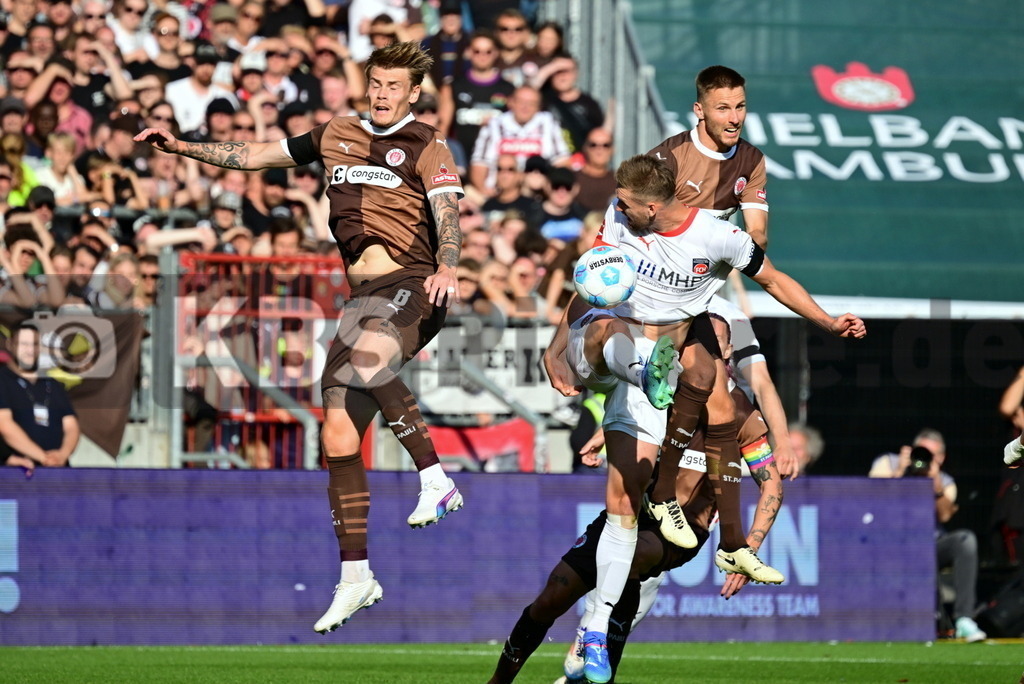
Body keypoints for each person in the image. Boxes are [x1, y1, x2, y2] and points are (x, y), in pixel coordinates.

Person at [135, 41, 467, 634]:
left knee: (366, 361)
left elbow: (447, 211)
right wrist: (182, 146)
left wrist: (447, 263)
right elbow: (257, 154)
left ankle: (435, 478)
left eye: (394, 86)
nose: (382, 94)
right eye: (376, 83)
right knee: (337, 434)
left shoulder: (427, 143)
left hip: (414, 284)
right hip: (361, 300)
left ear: (414, 92)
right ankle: (356, 577)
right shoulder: (335, 131)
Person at [544, 155, 865, 673]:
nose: (617, 207)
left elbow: (776, 281)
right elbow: (591, 281)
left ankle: (596, 631)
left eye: (627, 202)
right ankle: (643, 366)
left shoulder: (719, 239)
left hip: (651, 389)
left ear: (652, 207)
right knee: (609, 332)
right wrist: (555, 347)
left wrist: (827, 322)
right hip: (605, 347)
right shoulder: (618, 215)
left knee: (624, 506)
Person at [486, 371, 784, 684]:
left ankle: (594, 629)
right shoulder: (670, 391)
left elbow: (772, 485)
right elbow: (633, 411)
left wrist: (747, 548)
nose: (701, 357)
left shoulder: (743, 416)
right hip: (629, 513)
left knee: (632, 556)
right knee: (550, 599)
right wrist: (605, 433)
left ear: (728, 352)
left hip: (682, 530)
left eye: (714, 348)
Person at [869, 429, 987, 642]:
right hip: (889, 545)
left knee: (965, 540)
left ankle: (964, 619)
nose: (922, 461)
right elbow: (871, 501)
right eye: (920, 452)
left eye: (929, 455)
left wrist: (935, 483)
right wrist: (900, 473)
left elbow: (944, 515)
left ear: (940, 458)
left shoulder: (945, 480)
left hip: (930, 543)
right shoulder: (888, 463)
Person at [648, 65, 769, 249]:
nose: (735, 119)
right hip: (660, 268)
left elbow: (758, 235)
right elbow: (636, 217)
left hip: (714, 269)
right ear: (699, 110)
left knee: (774, 278)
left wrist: (737, 250)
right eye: (723, 108)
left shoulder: (752, 160)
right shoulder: (669, 157)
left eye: (740, 107)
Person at [0, 324, 80, 474]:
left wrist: (62, 455)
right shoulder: (3, 380)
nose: (30, 350)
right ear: (10, 345)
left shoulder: (53, 385)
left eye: (35, 344)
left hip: (58, 472)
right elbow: (4, 425)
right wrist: (43, 458)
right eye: (24, 344)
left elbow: (71, 426)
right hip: (17, 473)